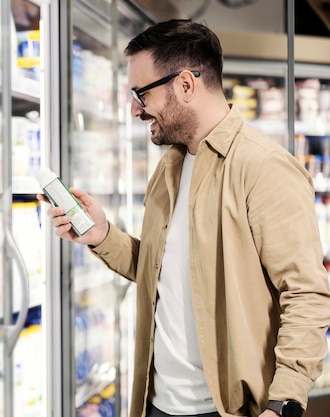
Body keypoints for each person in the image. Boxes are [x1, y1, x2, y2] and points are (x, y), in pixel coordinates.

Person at [38, 19, 330, 417]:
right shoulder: (170, 168)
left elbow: (306, 294)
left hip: (229, 408)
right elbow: (161, 272)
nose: (134, 109)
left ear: (186, 85)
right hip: (156, 404)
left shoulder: (264, 167)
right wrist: (101, 234)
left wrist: (282, 405)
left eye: (141, 94)